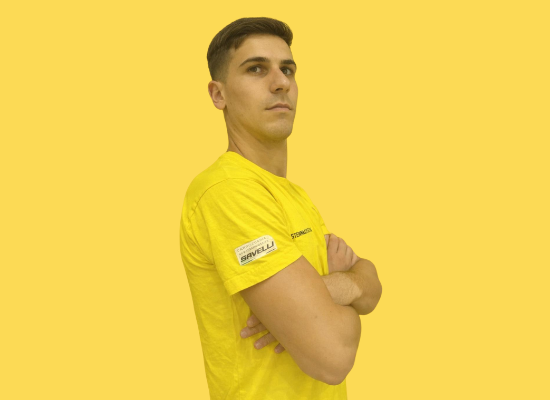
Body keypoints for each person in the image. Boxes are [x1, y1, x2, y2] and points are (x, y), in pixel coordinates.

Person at [179, 17, 382, 400]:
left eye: (287, 69)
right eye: (256, 69)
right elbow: (333, 356)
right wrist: (339, 298)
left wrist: (334, 287)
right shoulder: (227, 192)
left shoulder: (293, 195)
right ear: (218, 94)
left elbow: (371, 283)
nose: (280, 82)